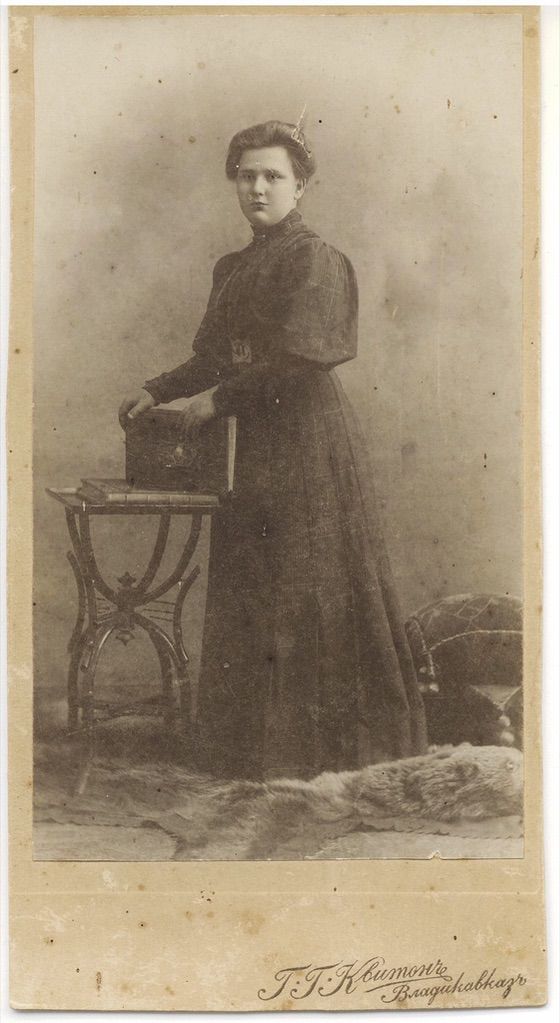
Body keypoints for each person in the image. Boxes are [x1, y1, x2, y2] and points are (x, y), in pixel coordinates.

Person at [119, 119, 427, 780]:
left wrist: (217, 402)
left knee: (303, 585)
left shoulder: (314, 259)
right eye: (247, 175)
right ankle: (249, 753)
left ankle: (317, 754)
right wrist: (157, 390)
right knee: (252, 583)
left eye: (273, 176)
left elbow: (302, 358)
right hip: (245, 448)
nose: (257, 188)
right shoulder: (233, 268)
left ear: (300, 186)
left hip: (305, 444)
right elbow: (213, 358)